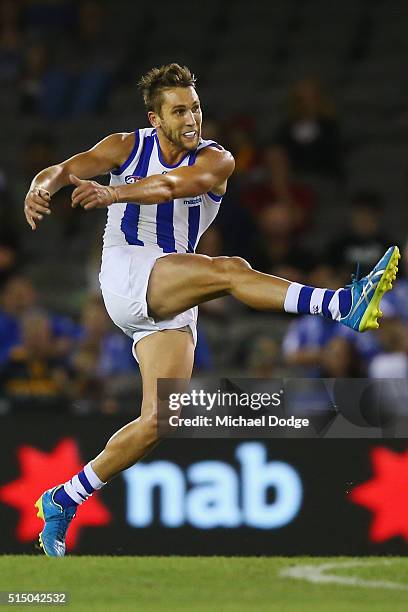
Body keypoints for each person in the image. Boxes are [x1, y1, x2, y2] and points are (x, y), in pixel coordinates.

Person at [23, 63, 399, 556]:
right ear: (154, 118)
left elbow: (172, 187)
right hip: (129, 275)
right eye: (179, 110)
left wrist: (114, 192)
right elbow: (68, 168)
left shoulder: (217, 160)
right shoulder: (124, 146)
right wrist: (41, 186)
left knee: (161, 420)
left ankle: (65, 497)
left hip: (172, 293)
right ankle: (340, 304)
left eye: (195, 107)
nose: (191, 117)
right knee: (228, 269)